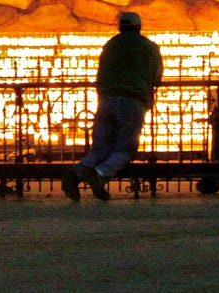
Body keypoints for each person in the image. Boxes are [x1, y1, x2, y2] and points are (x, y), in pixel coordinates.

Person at [63, 11, 163, 201]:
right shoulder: (148, 47)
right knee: (125, 148)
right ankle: (100, 174)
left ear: (120, 27)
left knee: (101, 147)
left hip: (106, 100)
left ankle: (76, 172)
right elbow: (156, 75)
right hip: (132, 100)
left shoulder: (110, 45)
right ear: (138, 27)